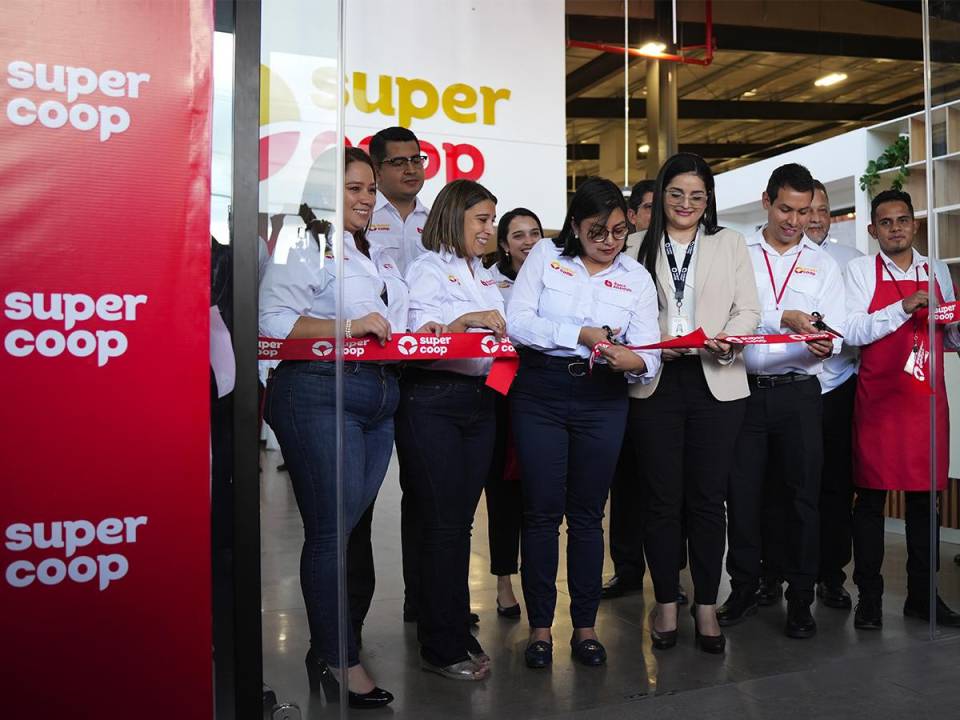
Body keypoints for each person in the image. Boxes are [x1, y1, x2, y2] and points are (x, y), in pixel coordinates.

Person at [259, 147, 418, 709]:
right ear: (325, 191)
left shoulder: (365, 249)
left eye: (370, 189)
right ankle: (338, 657)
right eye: (354, 188)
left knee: (348, 535)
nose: (367, 198)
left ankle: (333, 644)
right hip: (319, 392)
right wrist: (349, 324)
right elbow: (273, 322)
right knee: (331, 534)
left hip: (378, 398)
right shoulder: (303, 242)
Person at [507, 177, 660, 669]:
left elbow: (649, 353)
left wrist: (631, 361)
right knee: (541, 513)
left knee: (589, 516)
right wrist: (580, 332)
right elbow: (518, 322)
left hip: (603, 398)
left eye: (619, 231)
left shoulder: (636, 278)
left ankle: (587, 629)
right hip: (541, 393)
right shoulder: (546, 257)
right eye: (598, 231)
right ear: (575, 226)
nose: (610, 241)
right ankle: (540, 630)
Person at [630, 153, 761, 654]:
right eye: (677, 193)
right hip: (656, 383)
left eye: (697, 196)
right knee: (661, 501)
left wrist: (730, 336)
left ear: (709, 201)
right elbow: (625, 310)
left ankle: (706, 603)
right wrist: (658, 338)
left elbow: (748, 307)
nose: (686, 204)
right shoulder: (636, 244)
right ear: (662, 195)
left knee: (709, 501)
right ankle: (666, 600)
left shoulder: (728, 243)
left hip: (718, 380)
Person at [718, 163, 845, 640]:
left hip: (798, 393)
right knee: (743, 497)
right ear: (767, 201)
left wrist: (824, 341)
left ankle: (800, 599)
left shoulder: (825, 264)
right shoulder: (737, 252)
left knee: (802, 501)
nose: (795, 221)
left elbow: (833, 326)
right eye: (787, 209)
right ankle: (745, 588)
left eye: (805, 211)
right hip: (742, 392)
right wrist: (782, 318)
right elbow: (731, 311)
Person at [395, 179, 506, 681]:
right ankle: (440, 645)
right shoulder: (426, 269)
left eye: (491, 220)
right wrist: (468, 320)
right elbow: (420, 337)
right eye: (481, 220)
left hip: (480, 404)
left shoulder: (483, 275)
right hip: (433, 402)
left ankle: (454, 626)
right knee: (441, 525)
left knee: (458, 525)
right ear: (454, 217)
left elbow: (500, 346)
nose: (489, 230)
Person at [843, 189, 960, 629]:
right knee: (870, 502)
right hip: (878, 400)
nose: (896, 228)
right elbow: (851, 330)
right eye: (886, 222)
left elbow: (950, 339)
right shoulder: (859, 270)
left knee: (924, 503)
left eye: (903, 220)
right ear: (873, 229)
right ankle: (868, 599)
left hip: (927, 402)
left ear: (915, 225)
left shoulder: (939, 271)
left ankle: (922, 596)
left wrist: (956, 324)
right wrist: (902, 306)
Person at [358, 126, 431, 627]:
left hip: (429, 370)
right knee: (361, 497)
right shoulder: (360, 217)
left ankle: (422, 597)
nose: (411, 169)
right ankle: (349, 617)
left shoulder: (439, 217)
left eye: (417, 159)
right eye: (399, 162)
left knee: (424, 493)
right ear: (377, 170)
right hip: (374, 368)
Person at [805, 180, 864, 611]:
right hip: (791, 387)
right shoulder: (772, 262)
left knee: (836, 488)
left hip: (839, 388)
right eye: (808, 209)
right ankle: (777, 574)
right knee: (785, 486)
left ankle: (831, 575)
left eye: (823, 210)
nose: (816, 218)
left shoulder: (854, 262)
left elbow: (862, 327)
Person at [484, 208, 544, 618]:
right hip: (501, 393)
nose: (528, 241)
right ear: (503, 243)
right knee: (503, 493)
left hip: (546, 393)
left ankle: (540, 580)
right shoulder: (489, 281)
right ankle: (504, 581)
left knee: (540, 494)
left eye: (535, 233)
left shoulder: (559, 276)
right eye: (518, 235)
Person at [602, 178, 658, 601]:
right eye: (649, 208)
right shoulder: (620, 255)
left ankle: (669, 571)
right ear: (632, 215)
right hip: (618, 382)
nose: (656, 216)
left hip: (670, 379)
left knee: (664, 484)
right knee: (624, 484)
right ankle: (626, 568)